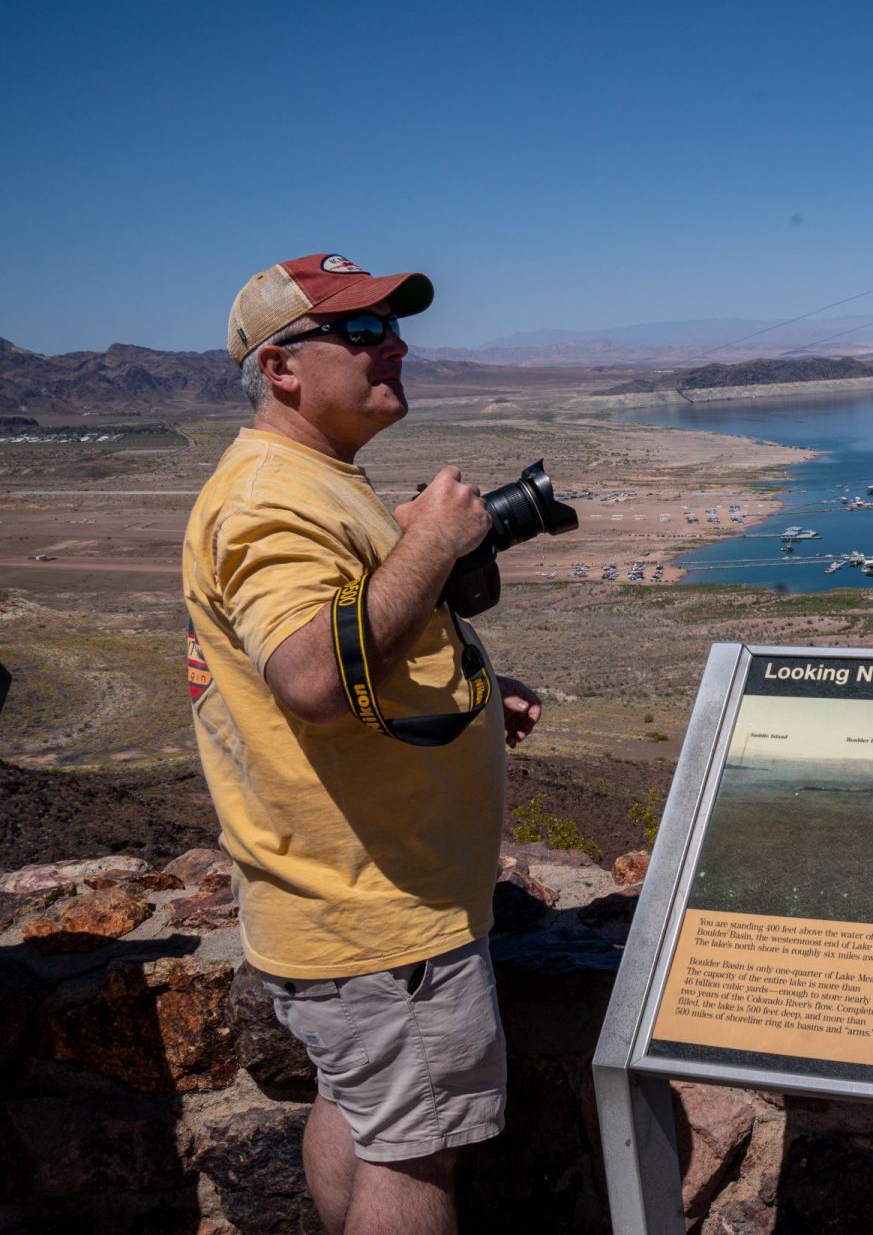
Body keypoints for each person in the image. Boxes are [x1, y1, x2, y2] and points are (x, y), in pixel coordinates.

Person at [184, 253, 544, 1235]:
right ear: (282, 368)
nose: (393, 342)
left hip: (357, 911)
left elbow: (345, 648)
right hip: (379, 919)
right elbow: (308, 676)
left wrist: (465, 695)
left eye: (391, 323)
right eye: (358, 329)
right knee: (415, 1164)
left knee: (369, 1116)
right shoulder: (269, 497)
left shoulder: (311, 479)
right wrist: (430, 539)